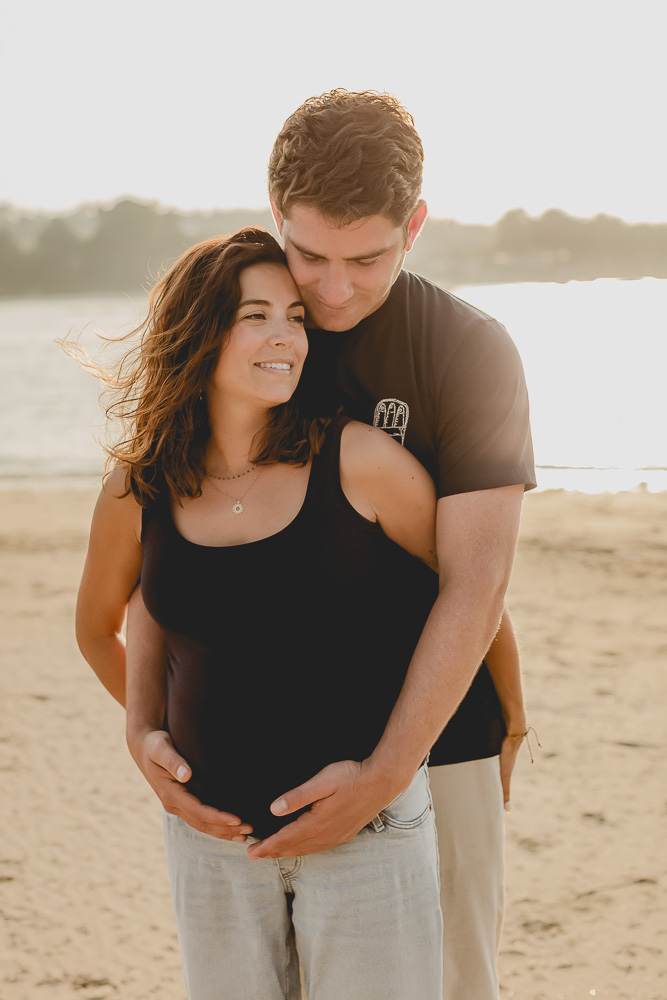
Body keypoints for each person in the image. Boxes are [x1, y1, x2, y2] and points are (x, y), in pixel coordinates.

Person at [79, 91, 536, 997]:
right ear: (274, 214)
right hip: (261, 761)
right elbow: (167, 566)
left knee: (449, 981)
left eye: (364, 259)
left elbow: (475, 586)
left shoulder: (468, 352)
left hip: (434, 742)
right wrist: (148, 734)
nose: (327, 292)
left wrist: (394, 768)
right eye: (308, 254)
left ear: (414, 227)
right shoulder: (256, 321)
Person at [76, 227, 449, 999]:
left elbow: (469, 597)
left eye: (295, 317)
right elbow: (114, 618)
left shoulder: (359, 462)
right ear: (200, 332)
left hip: (366, 834)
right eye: (256, 315)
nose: (287, 337)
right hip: (210, 840)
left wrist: (429, 753)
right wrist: (144, 731)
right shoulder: (137, 487)